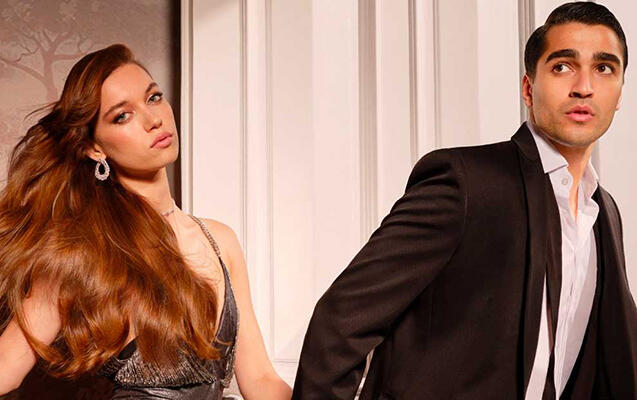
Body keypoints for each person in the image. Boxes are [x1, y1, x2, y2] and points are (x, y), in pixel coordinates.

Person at [292, 2, 637, 399]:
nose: (584, 86)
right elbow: (341, 321)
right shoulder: (467, 182)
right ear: (528, 88)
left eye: (604, 68)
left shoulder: (603, 212)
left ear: (619, 93)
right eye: (562, 66)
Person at [0, 44, 291, 400]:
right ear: (95, 148)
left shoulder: (220, 240)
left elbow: (260, 379)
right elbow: (5, 367)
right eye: (123, 116)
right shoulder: (84, 250)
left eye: (154, 97)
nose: (154, 119)